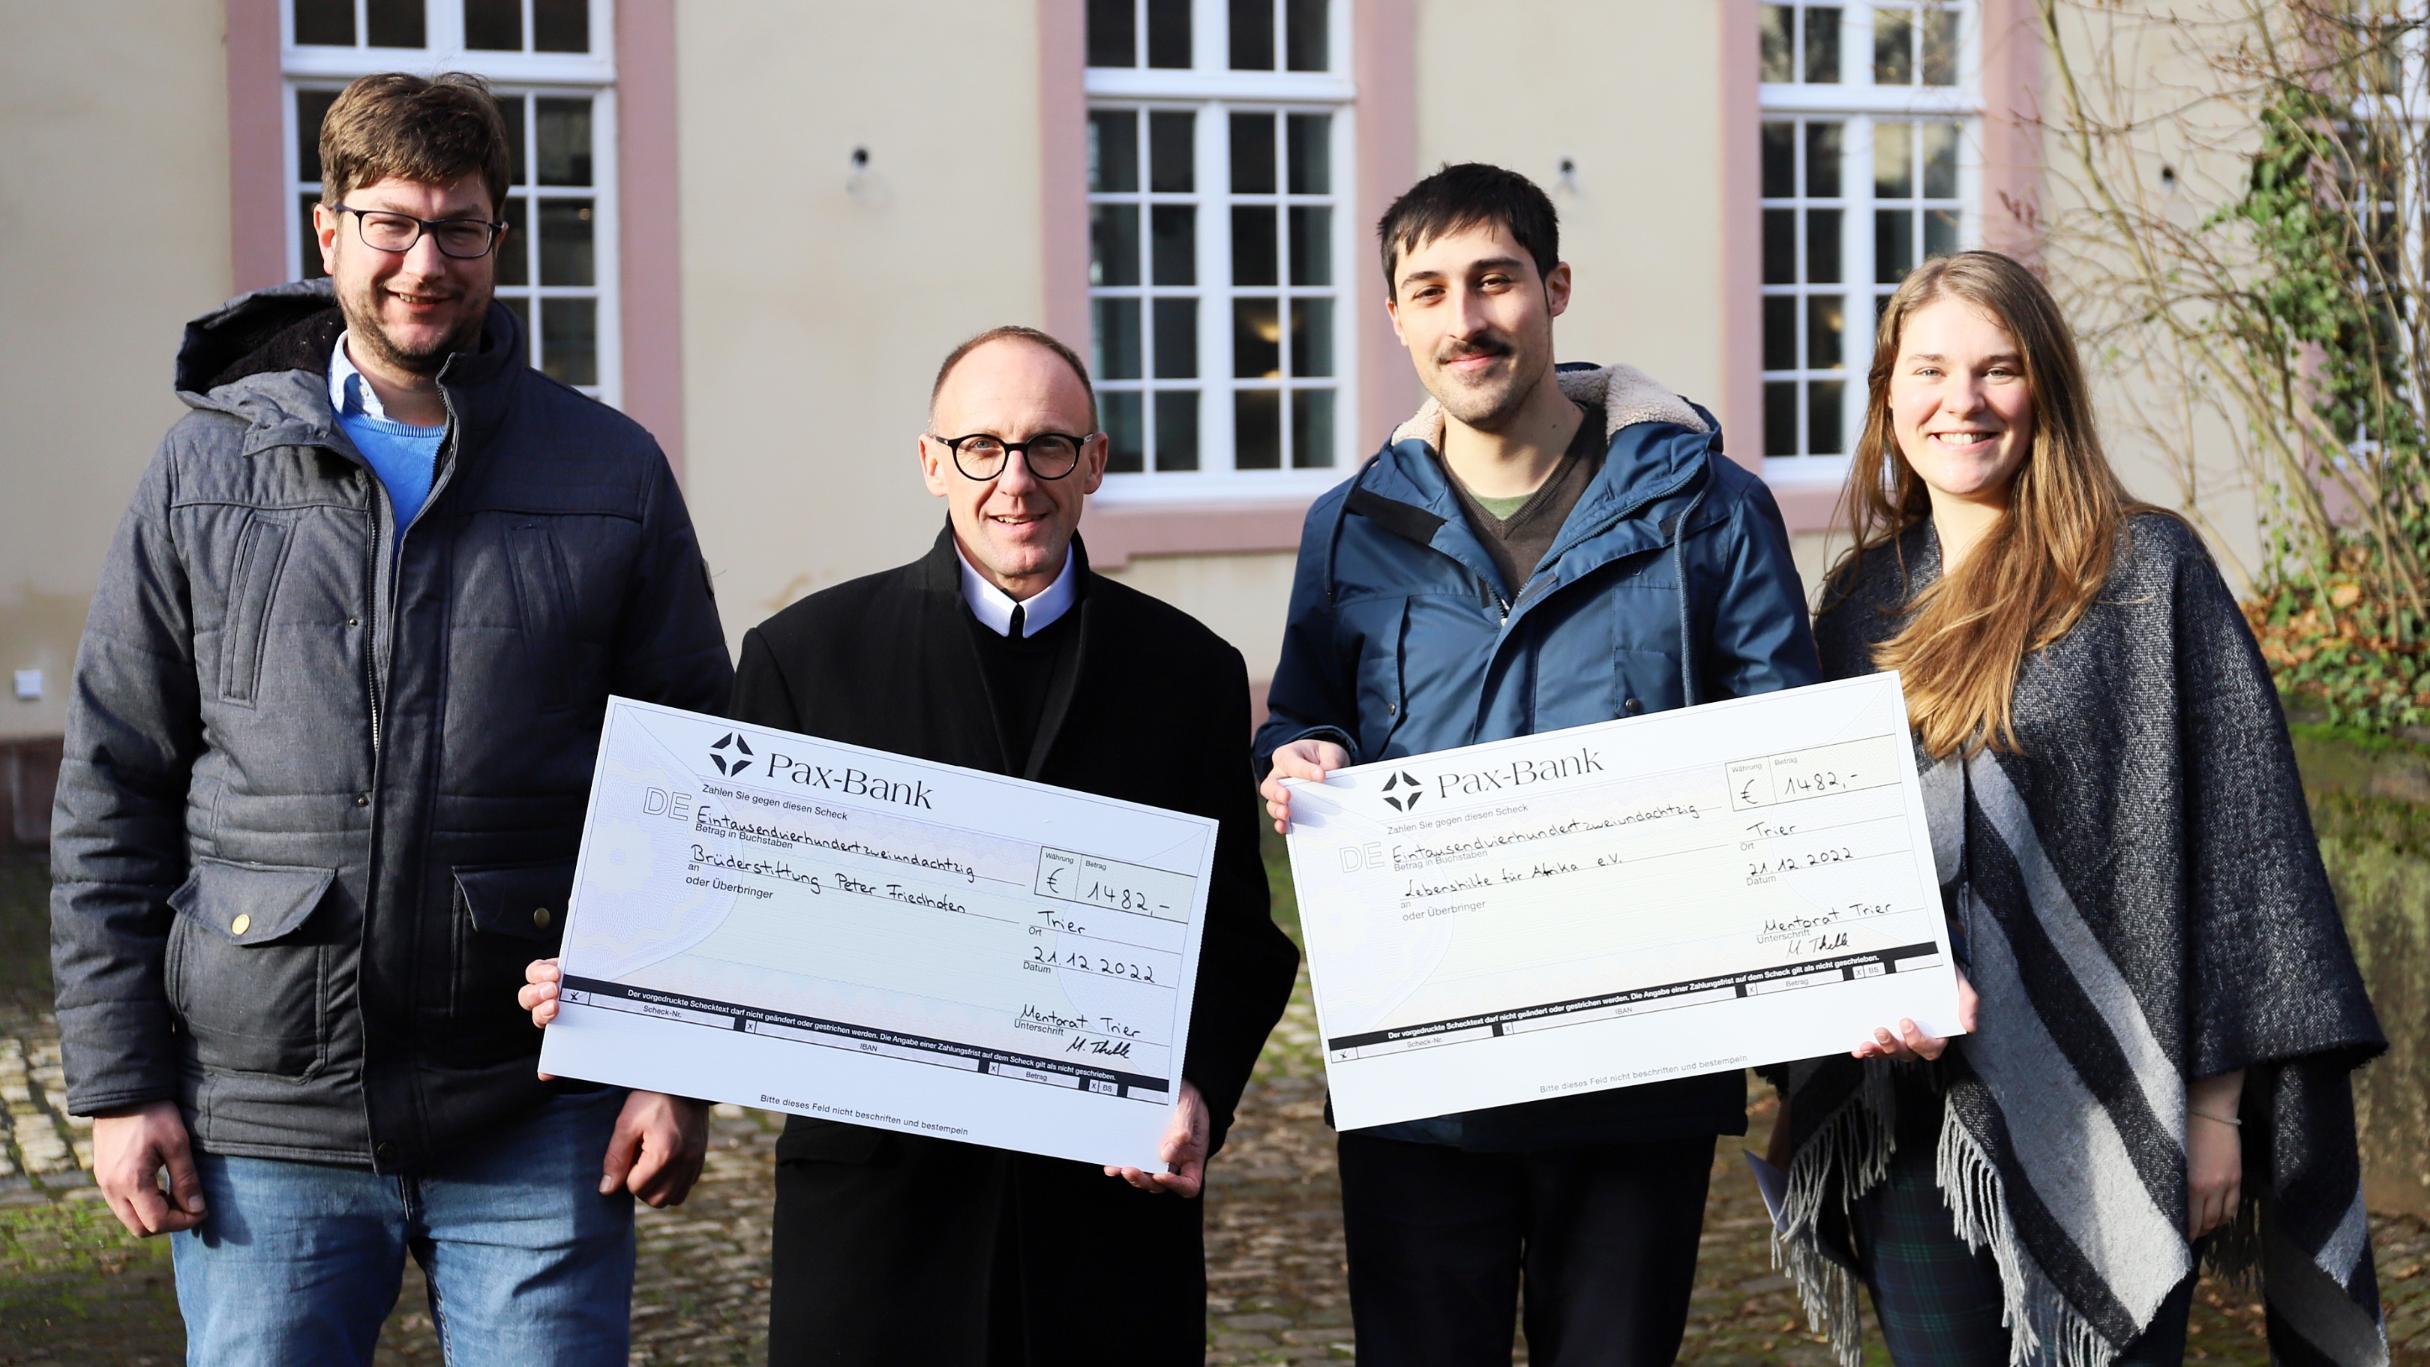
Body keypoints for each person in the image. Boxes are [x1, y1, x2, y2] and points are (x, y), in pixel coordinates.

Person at [49, 72, 731, 1365]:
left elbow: (691, 787)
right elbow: (116, 789)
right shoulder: (203, 472)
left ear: (498, 240)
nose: (425, 262)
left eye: (459, 227)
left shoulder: (609, 471)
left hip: (537, 1099)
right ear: (329, 232)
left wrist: (670, 1058)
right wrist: (121, 1083)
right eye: (391, 223)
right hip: (265, 1113)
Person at [522, 324, 1301, 1365]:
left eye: (1049, 446)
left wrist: (1198, 1086)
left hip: (1105, 1223)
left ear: (1097, 461)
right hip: (877, 1219)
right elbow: (718, 905)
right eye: (982, 446)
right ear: (932, 461)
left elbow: (1240, 938)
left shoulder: (1192, 671)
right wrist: (648, 1044)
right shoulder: (807, 657)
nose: (1015, 480)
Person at [1771, 249, 2387, 1366]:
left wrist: (2209, 1112)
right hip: (1912, 1124)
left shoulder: (2146, 572)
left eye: (1998, 369)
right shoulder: (1861, 595)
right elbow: (1810, 848)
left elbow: (2240, 862)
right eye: (1931, 370)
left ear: (2044, 386)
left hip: (2117, 1118)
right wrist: (1848, 990)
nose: (1962, 402)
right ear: (1888, 393)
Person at [1253, 162, 1820, 1365]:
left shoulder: (1708, 510)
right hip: (1421, 1079)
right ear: (1397, 315)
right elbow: (1308, 712)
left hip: (1635, 1070)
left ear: (1554, 288)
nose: (1467, 319)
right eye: (1431, 289)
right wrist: (1297, 752)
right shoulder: (1349, 527)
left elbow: (1788, 754)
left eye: (1495, 279)